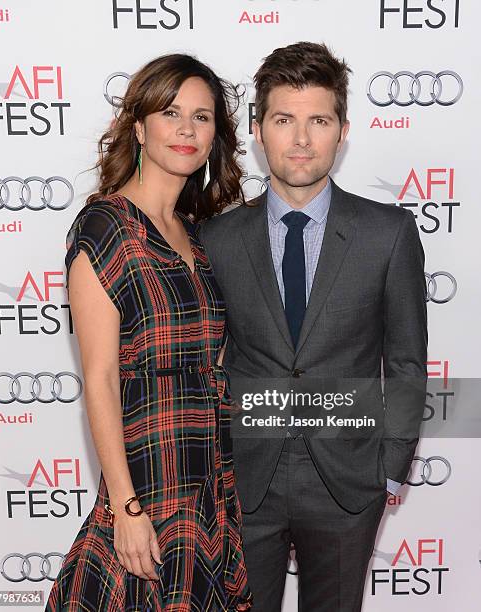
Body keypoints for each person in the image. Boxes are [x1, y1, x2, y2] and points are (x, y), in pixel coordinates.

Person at [200, 42, 427, 612]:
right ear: (257, 130)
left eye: (318, 120)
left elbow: (405, 360)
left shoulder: (388, 233)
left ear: (342, 130)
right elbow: (204, 363)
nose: (301, 139)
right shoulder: (217, 239)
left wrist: (390, 469)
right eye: (284, 120)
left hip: (349, 481)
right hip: (245, 483)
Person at [46, 54, 252, 611]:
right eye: (171, 112)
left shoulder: (198, 235)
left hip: (212, 484)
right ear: (139, 127)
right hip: (148, 483)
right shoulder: (104, 228)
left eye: (203, 116)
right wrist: (126, 510)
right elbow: (100, 377)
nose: (187, 129)